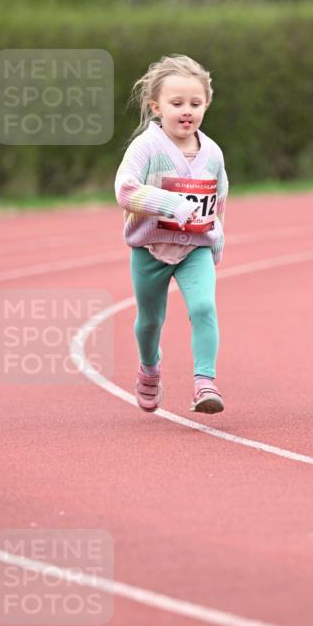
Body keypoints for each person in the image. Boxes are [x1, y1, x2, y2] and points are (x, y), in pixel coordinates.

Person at [114, 54, 228, 414]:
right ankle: (149, 369)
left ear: (206, 105)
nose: (186, 111)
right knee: (150, 321)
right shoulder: (146, 147)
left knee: (204, 306)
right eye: (176, 103)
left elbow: (219, 196)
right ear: (156, 106)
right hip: (150, 248)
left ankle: (204, 383)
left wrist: (217, 230)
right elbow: (125, 190)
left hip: (195, 247)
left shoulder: (212, 153)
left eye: (195, 104)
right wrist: (171, 205)